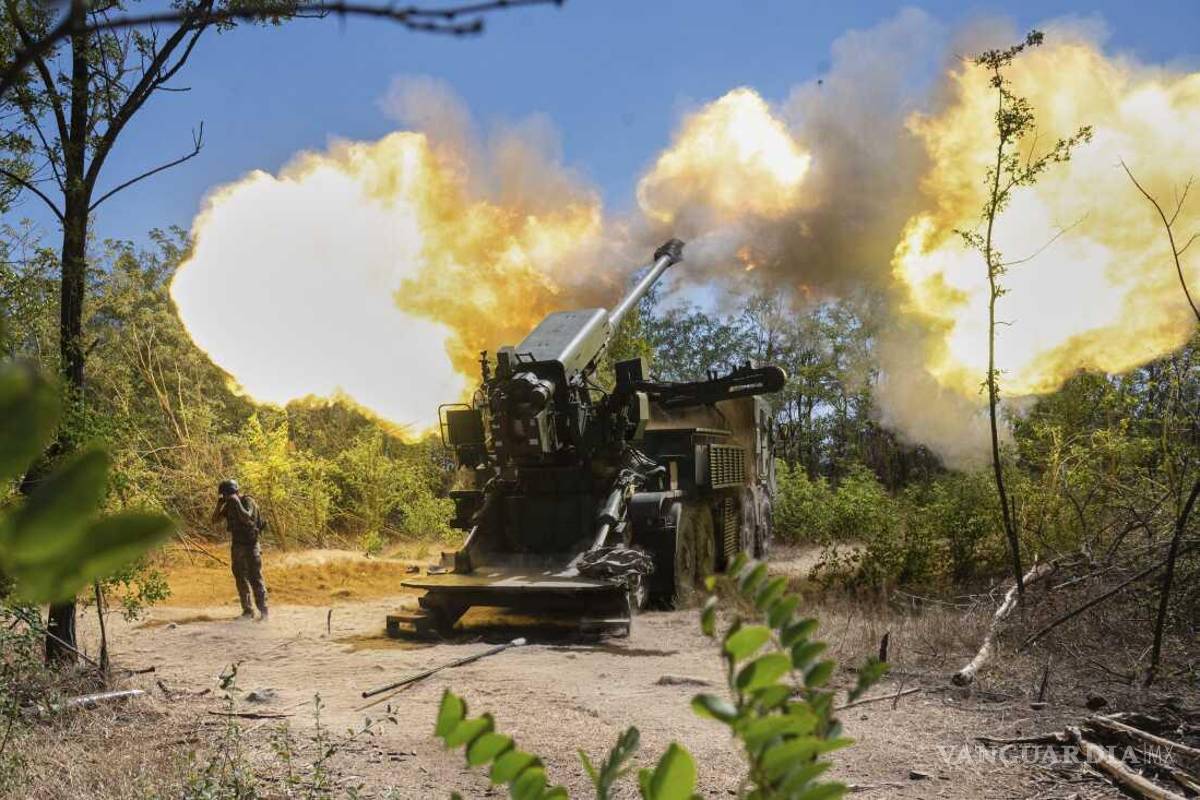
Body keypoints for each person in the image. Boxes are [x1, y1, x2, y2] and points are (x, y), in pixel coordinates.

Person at [211, 479, 269, 620]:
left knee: (255, 577)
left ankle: (264, 612)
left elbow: (247, 516)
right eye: (224, 496)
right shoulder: (229, 504)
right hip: (237, 545)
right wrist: (219, 504)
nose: (226, 498)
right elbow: (214, 520)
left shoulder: (247, 501)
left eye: (226, 495)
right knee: (240, 578)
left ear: (234, 492)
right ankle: (248, 611)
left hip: (251, 545)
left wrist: (236, 502)